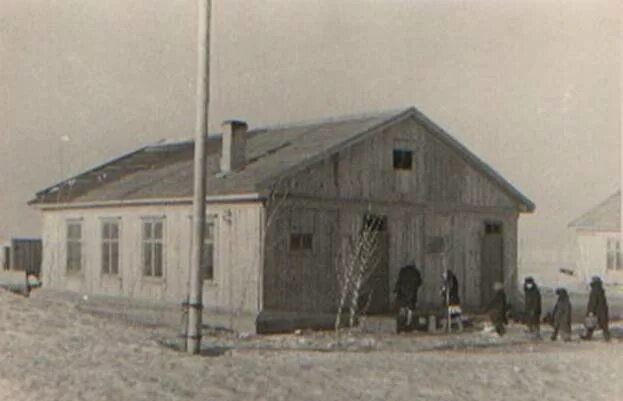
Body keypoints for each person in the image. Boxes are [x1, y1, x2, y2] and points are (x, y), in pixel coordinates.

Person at [580, 276, 610, 341]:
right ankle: (606, 338)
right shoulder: (600, 289)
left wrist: (591, 311)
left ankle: (588, 336)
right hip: (603, 310)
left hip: (597, 311)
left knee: (591, 323)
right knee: (603, 324)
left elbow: (593, 301)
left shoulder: (595, 290)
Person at [394, 264, 422, 332]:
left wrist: (396, 290)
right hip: (411, 295)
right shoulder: (415, 273)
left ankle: (401, 326)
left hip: (402, 295)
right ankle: (408, 325)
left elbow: (398, 284)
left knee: (402, 310)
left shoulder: (403, 273)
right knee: (410, 310)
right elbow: (419, 282)